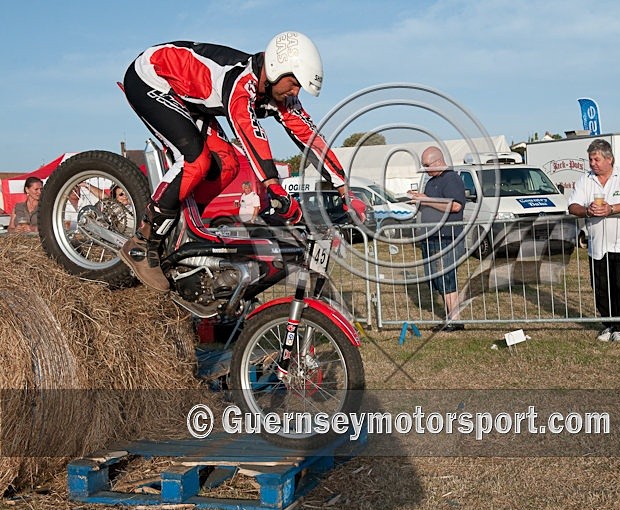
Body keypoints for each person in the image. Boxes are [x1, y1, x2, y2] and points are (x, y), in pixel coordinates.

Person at [119, 32, 367, 291]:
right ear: (275, 69)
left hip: (188, 97)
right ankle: (142, 243)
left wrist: (344, 189)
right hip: (152, 78)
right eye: (294, 83)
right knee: (196, 161)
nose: (296, 92)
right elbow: (249, 133)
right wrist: (272, 185)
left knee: (228, 164)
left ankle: (184, 231)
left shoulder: (279, 94)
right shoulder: (241, 82)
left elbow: (309, 137)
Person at [568, 139, 620, 342]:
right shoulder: (586, 180)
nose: (592, 163)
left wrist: (611, 209)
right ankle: (608, 324)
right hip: (597, 244)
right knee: (600, 287)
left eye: (596, 159)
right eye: (590, 159)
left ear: (609, 159)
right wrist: (586, 210)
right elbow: (572, 206)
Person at [408, 146, 467, 332]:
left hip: (447, 237)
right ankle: (451, 317)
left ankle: (455, 320)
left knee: (447, 278)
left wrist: (425, 199)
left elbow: (456, 206)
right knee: (436, 279)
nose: (424, 168)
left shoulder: (452, 178)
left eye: (426, 165)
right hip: (431, 237)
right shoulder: (430, 181)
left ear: (438, 161)